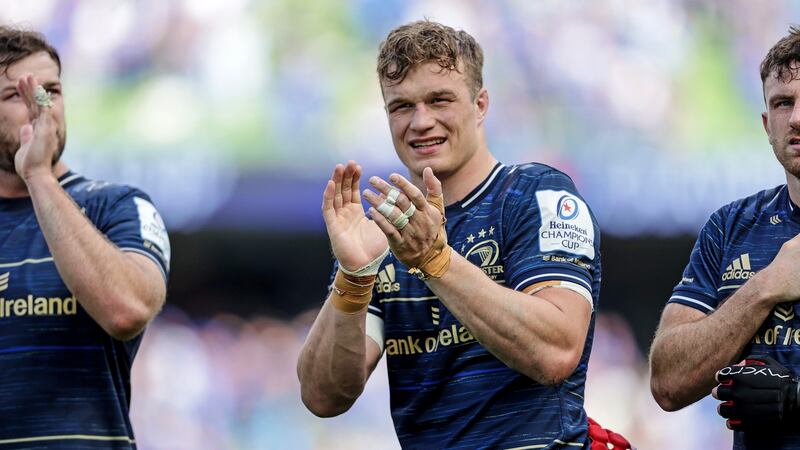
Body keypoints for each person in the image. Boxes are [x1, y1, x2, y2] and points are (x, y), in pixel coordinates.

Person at [298, 20, 613, 449]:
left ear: (480, 104)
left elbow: (556, 351)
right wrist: (353, 279)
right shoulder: (383, 232)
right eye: (401, 107)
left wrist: (435, 262)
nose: (421, 121)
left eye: (439, 100)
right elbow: (323, 396)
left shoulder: (537, 195)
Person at [0, 27, 169, 448]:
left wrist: (38, 176)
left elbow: (128, 310)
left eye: (50, 92)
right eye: (16, 96)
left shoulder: (118, 206)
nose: (42, 110)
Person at [649, 26, 800, 449]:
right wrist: (766, 288)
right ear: (767, 123)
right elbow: (667, 382)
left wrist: (796, 398)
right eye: (783, 103)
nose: (797, 118)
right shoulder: (731, 226)